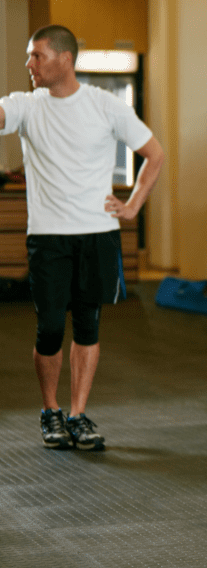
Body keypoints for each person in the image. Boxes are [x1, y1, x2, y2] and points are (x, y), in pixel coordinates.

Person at [0, 25, 165, 450]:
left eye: (37, 55)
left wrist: (132, 207)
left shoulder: (105, 106)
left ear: (65, 59)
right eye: (29, 56)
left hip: (97, 234)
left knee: (88, 326)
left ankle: (77, 414)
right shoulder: (25, 106)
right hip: (49, 237)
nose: (29, 64)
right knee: (51, 327)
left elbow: (154, 154)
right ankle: (50, 410)